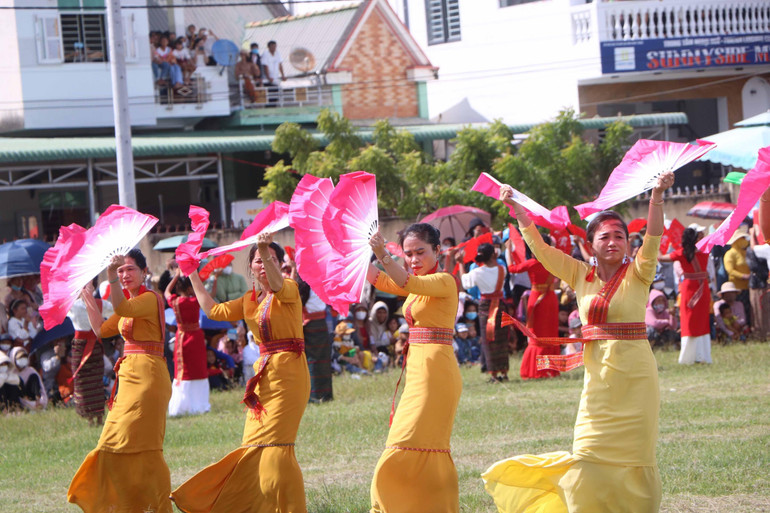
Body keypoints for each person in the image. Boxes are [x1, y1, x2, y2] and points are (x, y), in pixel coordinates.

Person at [484, 170, 674, 513]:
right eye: (605, 237)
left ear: (629, 244)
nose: (613, 241)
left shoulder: (640, 271)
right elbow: (540, 251)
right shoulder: (578, 274)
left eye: (620, 236)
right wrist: (518, 210)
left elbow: (655, 234)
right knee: (587, 455)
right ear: (591, 245)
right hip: (597, 384)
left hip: (637, 380)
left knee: (636, 456)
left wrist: (656, 196)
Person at [171, 234, 310, 513]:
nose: (264, 264)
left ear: (281, 265)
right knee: (253, 447)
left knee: (277, 446)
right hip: (263, 375)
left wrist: (262, 247)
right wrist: (192, 274)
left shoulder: (289, 289)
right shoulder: (249, 300)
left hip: (290, 374)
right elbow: (212, 309)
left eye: (271, 259)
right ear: (250, 267)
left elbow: (279, 282)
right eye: (259, 260)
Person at [68, 249, 172, 513]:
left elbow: (122, 307)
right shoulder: (129, 300)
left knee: (145, 447)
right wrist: (86, 294)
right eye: (120, 270)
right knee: (111, 442)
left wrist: (111, 278)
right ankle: (126, 505)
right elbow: (101, 330)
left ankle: (157, 506)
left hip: (149, 378)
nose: (124, 275)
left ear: (145, 272)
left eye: (129, 269)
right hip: (129, 378)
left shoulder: (150, 298)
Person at [366, 222, 462, 513]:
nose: (413, 260)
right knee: (404, 442)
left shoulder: (444, 281)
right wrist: (359, 249)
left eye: (420, 252)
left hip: (437, 373)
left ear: (438, 250)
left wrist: (384, 255)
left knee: (409, 443)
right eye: (408, 254)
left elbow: (407, 282)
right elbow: (380, 280)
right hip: (419, 372)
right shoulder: (416, 283)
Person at [507, 238, 561, 380]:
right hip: (550, 299)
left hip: (536, 298)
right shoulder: (553, 260)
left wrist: (508, 250)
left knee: (536, 335)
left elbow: (512, 268)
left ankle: (536, 370)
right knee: (550, 332)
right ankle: (551, 369)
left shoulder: (532, 263)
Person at [659, 227, 712, 364]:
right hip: (703, 288)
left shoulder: (681, 253)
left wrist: (658, 246)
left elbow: (661, 258)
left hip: (688, 289)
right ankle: (704, 356)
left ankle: (687, 358)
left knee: (688, 322)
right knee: (702, 322)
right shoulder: (705, 250)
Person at [458, 243, 509, 382]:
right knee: (501, 339)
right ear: (494, 255)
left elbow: (466, 284)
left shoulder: (477, 272)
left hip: (486, 307)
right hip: (500, 305)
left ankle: (493, 374)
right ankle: (504, 372)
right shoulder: (502, 269)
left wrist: (461, 264)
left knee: (489, 340)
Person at [165, 268, 209, 417]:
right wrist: (212, 279)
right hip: (196, 337)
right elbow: (207, 295)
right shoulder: (194, 301)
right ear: (189, 288)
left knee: (182, 370)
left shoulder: (175, 301)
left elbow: (166, 292)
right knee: (199, 368)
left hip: (181, 336)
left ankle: (181, 405)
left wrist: (175, 276)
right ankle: (200, 403)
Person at [67, 293, 113, 425]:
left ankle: (93, 417)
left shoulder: (73, 305)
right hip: (89, 347)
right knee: (92, 382)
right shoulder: (100, 304)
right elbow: (114, 312)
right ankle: (95, 417)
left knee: (88, 383)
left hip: (84, 347)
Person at [10, 346, 47, 410]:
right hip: (21, 403)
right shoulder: (11, 373)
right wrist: (30, 405)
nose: (22, 360)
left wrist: (42, 402)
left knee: (33, 377)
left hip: (35, 401)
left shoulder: (31, 371)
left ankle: (37, 401)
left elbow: (41, 389)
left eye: (24, 357)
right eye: (20, 358)